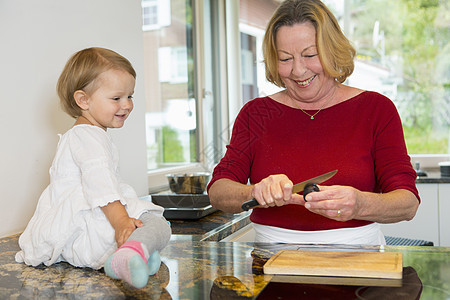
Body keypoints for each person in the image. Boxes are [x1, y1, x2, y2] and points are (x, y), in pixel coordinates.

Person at [207, 0, 419, 245]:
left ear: (332, 50)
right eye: (285, 58)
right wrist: (255, 191)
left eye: (310, 55)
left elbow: (407, 203)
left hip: (359, 255)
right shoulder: (255, 114)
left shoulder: (376, 109)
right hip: (270, 258)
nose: (298, 71)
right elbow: (218, 191)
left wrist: (360, 204)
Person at [15, 47, 171, 289]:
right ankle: (129, 256)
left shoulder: (85, 134)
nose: (127, 105)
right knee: (158, 225)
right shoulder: (88, 136)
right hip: (90, 225)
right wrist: (120, 221)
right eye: (117, 98)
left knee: (146, 221)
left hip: (83, 224)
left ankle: (135, 256)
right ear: (83, 100)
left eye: (130, 96)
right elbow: (100, 183)